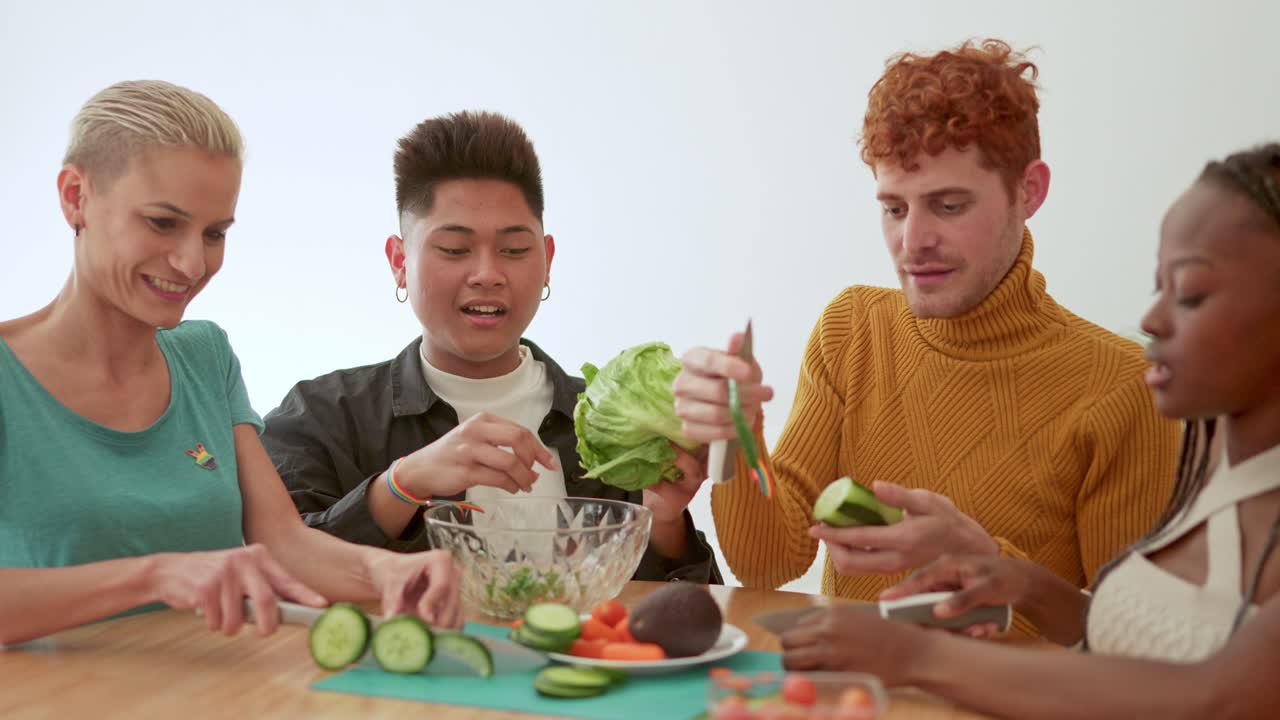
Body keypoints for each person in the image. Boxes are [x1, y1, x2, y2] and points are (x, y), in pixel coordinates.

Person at [673, 39, 1180, 623]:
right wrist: (739, 439)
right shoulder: (852, 328)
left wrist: (985, 563)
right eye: (894, 209)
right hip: (854, 700)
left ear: (1029, 191)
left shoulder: (1124, 387)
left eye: (949, 206)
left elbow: (1133, 649)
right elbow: (768, 564)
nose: (912, 242)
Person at [780, 143, 1280, 718]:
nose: (1151, 320)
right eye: (1157, 287)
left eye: (1189, 292)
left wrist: (914, 656)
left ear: (1029, 193)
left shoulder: (1124, 395)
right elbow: (1146, 648)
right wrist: (1026, 585)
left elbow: (1215, 695)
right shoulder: (1212, 461)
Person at [0, 81, 461, 647]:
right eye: (163, 223)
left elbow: (283, 544)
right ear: (76, 196)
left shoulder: (205, 356)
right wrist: (157, 575)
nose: (192, 262)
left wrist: (387, 571)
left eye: (215, 233)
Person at [261, 110, 720, 583]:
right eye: (455, 250)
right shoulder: (321, 416)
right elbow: (275, 576)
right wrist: (403, 483)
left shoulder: (613, 426)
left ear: (547, 260)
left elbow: (687, 623)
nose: (487, 273)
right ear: (400, 262)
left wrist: (665, 523)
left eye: (514, 250)